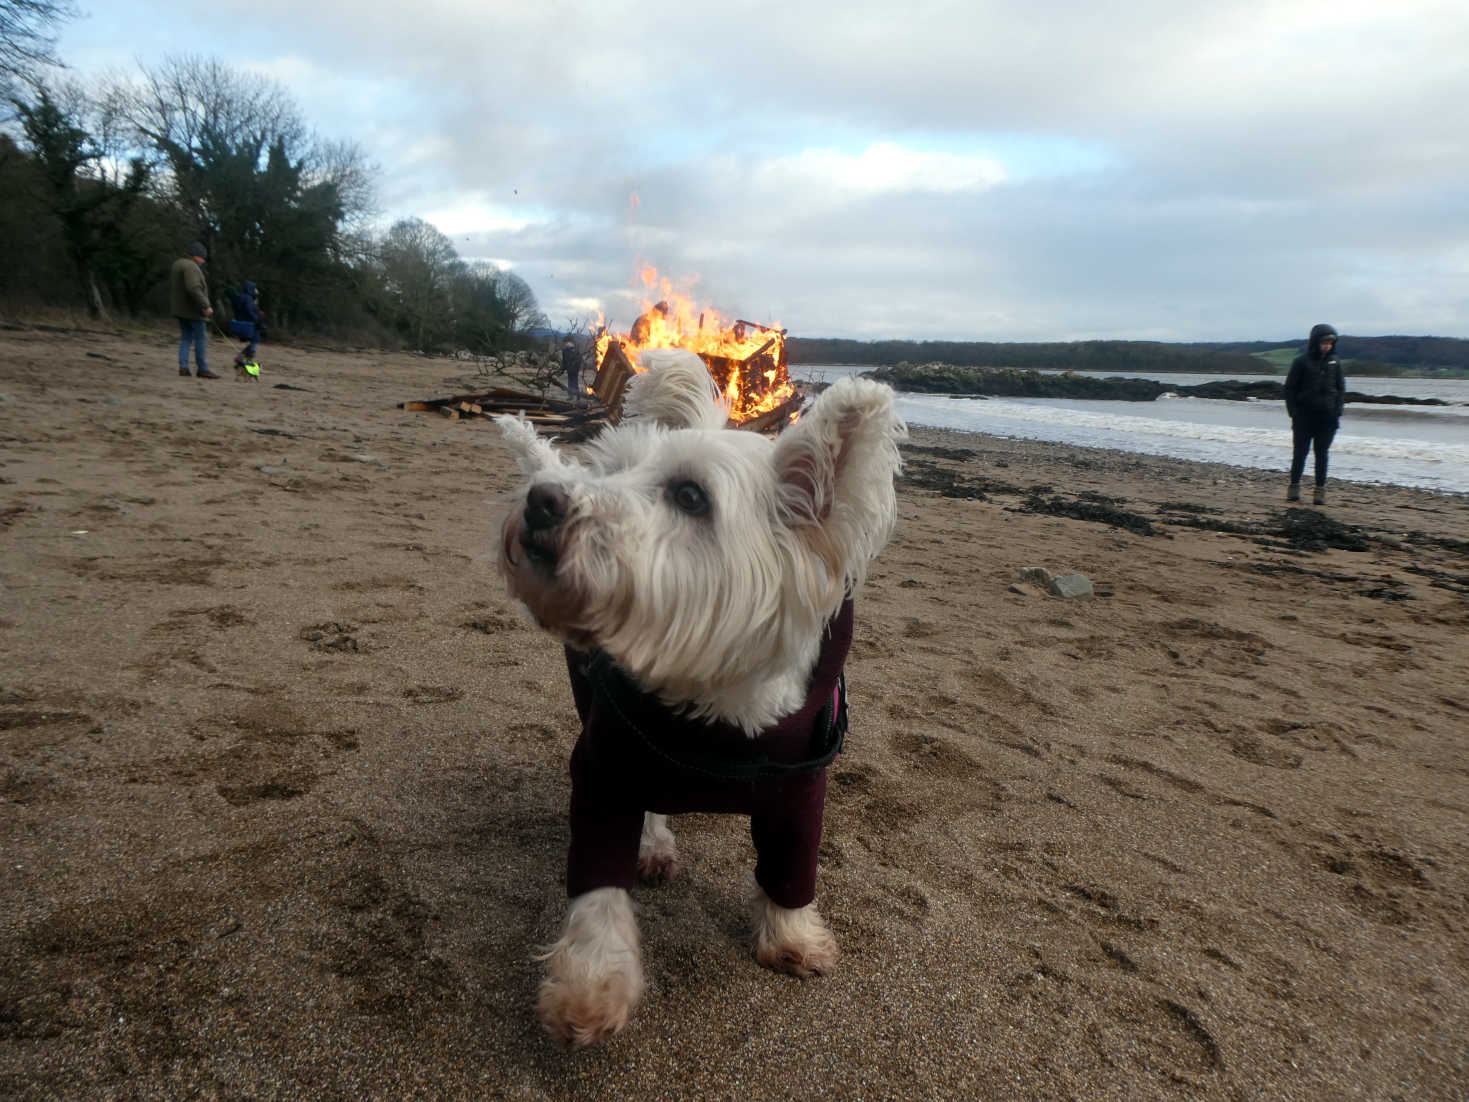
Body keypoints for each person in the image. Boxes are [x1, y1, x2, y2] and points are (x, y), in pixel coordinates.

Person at [1283, 323, 1346, 505]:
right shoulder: (1301, 362)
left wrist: (1337, 412)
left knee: (1322, 454)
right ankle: (1293, 488)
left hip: (1327, 418)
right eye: (1324, 342)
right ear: (1315, 342)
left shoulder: (1335, 362)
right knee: (1300, 453)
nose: (1327, 345)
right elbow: (1289, 389)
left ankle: (1319, 491)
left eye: (1330, 343)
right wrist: (1293, 412)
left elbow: (1340, 389)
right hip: (1304, 417)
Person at [170, 242, 218, 379]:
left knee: (185, 338)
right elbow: (193, 288)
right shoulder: (191, 267)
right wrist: (205, 306)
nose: (203, 261)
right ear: (196, 256)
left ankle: (183, 367)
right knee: (201, 339)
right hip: (193, 311)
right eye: (202, 258)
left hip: (180, 310)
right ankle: (202, 368)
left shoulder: (178, 263)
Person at [228, 280, 265, 368]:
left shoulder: (241, 297)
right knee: (256, 340)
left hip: (242, 322)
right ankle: (247, 360)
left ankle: (240, 358)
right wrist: (257, 319)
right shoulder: (248, 298)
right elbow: (249, 310)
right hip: (249, 324)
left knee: (254, 341)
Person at [561, 336, 582, 402]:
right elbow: (564, 361)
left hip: (575, 370)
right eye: (565, 343)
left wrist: (577, 368)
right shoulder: (564, 351)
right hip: (569, 370)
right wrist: (563, 369)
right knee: (570, 383)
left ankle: (578, 396)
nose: (565, 344)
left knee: (575, 383)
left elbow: (579, 360)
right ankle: (571, 396)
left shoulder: (575, 350)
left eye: (566, 343)